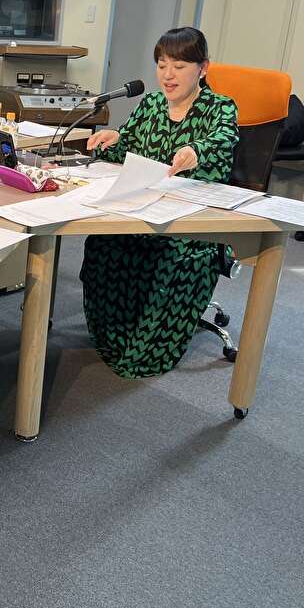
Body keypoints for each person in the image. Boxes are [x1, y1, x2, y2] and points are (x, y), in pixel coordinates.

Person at [80, 27, 238, 378]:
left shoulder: (220, 108)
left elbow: (223, 140)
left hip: (190, 224)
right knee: (103, 244)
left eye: (179, 66)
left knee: (170, 255)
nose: (168, 75)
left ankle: (149, 349)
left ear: (203, 68)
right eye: (162, 65)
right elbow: (128, 145)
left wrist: (195, 151)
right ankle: (117, 336)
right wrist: (113, 139)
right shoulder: (151, 104)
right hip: (141, 213)